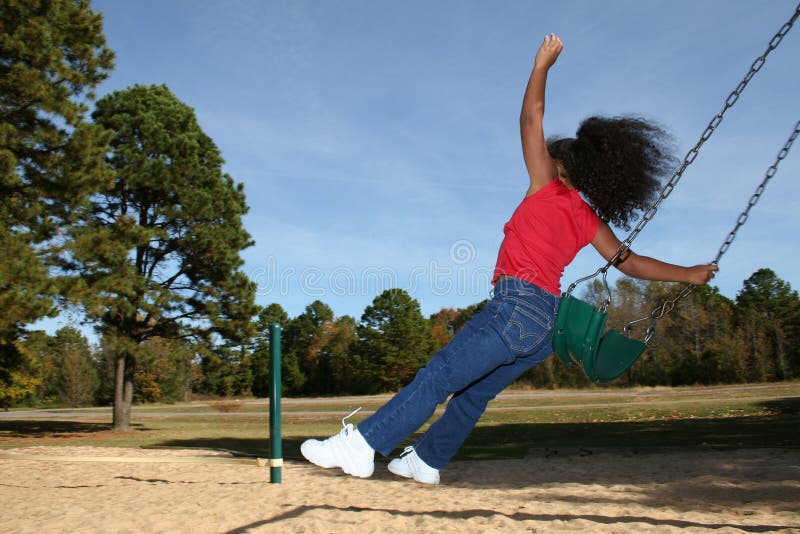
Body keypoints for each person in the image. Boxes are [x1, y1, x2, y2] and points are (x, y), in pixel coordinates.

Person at [300, 34, 718, 485]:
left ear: (560, 165)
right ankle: (426, 461)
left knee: (438, 376)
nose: (538, 157)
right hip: (543, 329)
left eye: (546, 155)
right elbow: (631, 263)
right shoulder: (589, 220)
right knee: (473, 395)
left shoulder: (548, 184)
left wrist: (541, 66)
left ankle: (361, 446)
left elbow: (530, 118)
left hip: (516, 307)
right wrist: (689, 274)